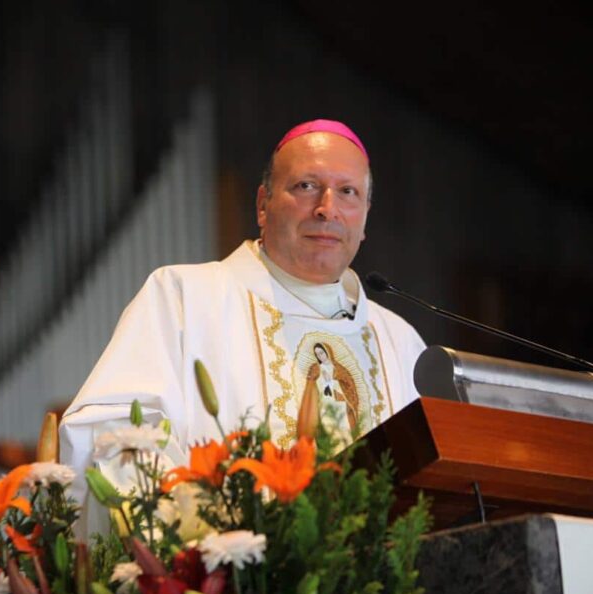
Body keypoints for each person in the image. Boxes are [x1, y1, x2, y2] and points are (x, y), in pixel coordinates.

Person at [59, 119, 426, 537]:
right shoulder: (183, 298)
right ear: (262, 206)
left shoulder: (400, 342)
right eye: (306, 186)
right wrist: (209, 531)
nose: (328, 208)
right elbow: (114, 434)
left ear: (364, 219)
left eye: (348, 192)